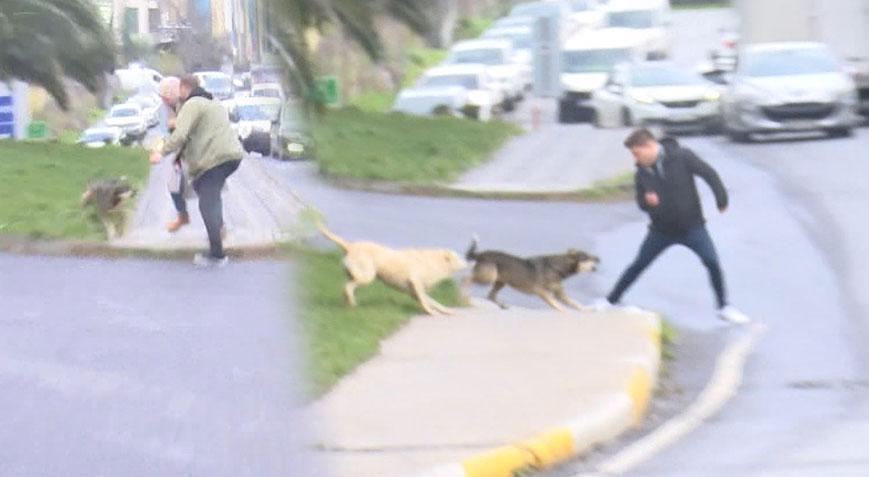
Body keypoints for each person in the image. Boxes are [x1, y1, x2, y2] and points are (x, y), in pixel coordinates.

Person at [596, 128, 750, 325]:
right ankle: (611, 300)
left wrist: (721, 199)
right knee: (639, 264)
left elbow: (709, 174)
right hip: (661, 231)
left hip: (692, 227)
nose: (636, 159)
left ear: (650, 146)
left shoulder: (682, 157)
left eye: (637, 153)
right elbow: (641, 204)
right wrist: (647, 201)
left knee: (711, 262)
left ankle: (724, 307)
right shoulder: (641, 174)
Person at [151, 75, 244, 267]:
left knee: (206, 204)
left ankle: (217, 254)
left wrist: (161, 152)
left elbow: (181, 135)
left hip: (214, 159)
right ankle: (218, 233)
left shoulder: (192, 103)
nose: (164, 101)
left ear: (182, 89)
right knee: (210, 196)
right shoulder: (211, 101)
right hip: (227, 156)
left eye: (166, 96)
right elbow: (195, 132)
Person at [157, 77, 190, 233]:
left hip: (199, 151)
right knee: (173, 185)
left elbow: (184, 126)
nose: (164, 102)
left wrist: (175, 123)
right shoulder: (172, 107)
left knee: (207, 191)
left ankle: (218, 226)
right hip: (183, 153)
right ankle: (182, 216)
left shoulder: (188, 103)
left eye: (165, 98)